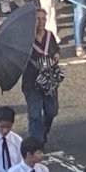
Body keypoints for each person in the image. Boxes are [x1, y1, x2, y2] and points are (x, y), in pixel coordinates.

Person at [23, 8, 62, 143]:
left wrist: (56, 56)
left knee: (51, 111)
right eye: (37, 19)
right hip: (31, 82)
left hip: (48, 80)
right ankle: (35, 143)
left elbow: (56, 50)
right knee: (35, 115)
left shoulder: (50, 36)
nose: (40, 22)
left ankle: (43, 133)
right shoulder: (26, 39)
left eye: (43, 19)